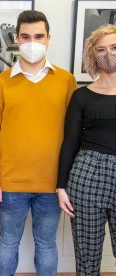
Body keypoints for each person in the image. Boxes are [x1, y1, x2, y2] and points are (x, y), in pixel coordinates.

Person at [0, 10, 78, 275]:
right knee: (8, 242)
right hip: (10, 184)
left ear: (48, 38)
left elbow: (75, 134)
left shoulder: (66, 81)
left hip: (53, 183)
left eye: (38, 36)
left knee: (46, 244)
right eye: (25, 36)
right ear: (17, 38)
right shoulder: (0, 84)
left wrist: (67, 181)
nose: (32, 42)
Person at [57, 24, 116, 276]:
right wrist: (61, 186)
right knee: (87, 256)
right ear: (93, 55)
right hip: (88, 175)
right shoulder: (82, 96)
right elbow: (70, 141)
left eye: (114, 47)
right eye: (101, 49)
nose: (108, 54)